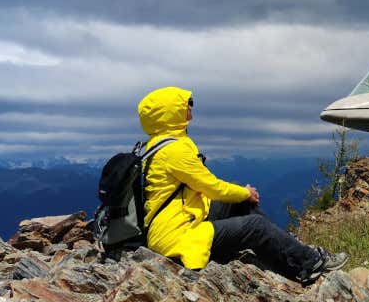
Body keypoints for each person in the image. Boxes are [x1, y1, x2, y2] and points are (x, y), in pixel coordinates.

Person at [136, 86, 347, 282]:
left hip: (175, 223)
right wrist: (245, 193)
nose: (190, 107)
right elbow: (211, 187)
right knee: (256, 226)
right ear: (169, 113)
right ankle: (309, 264)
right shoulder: (174, 151)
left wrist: (241, 195)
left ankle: (287, 248)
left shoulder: (156, 145)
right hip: (175, 236)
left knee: (240, 204)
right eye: (185, 103)